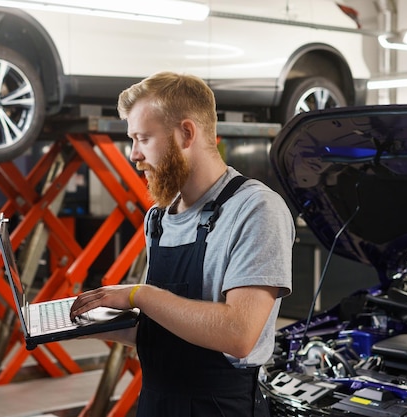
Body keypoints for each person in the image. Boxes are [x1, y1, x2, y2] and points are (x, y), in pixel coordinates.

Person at [70, 71, 294, 416]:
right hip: (157, 403)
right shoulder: (159, 219)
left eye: (143, 138)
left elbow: (238, 334)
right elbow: (169, 327)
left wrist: (139, 295)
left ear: (186, 133)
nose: (134, 155)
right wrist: (88, 323)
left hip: (219, 408)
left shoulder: (255, 210)